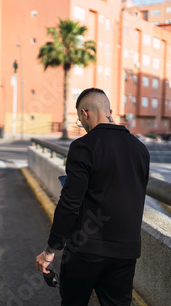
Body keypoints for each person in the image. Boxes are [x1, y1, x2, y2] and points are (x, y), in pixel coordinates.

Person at [35, 88, 150, 306]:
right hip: (126, 251)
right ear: (110, 111)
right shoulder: (140, 148)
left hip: (85, 250)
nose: (82, 125)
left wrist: (50, 250)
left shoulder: (83, 147)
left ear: (84, 113)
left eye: (80, 120)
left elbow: (70, 204)